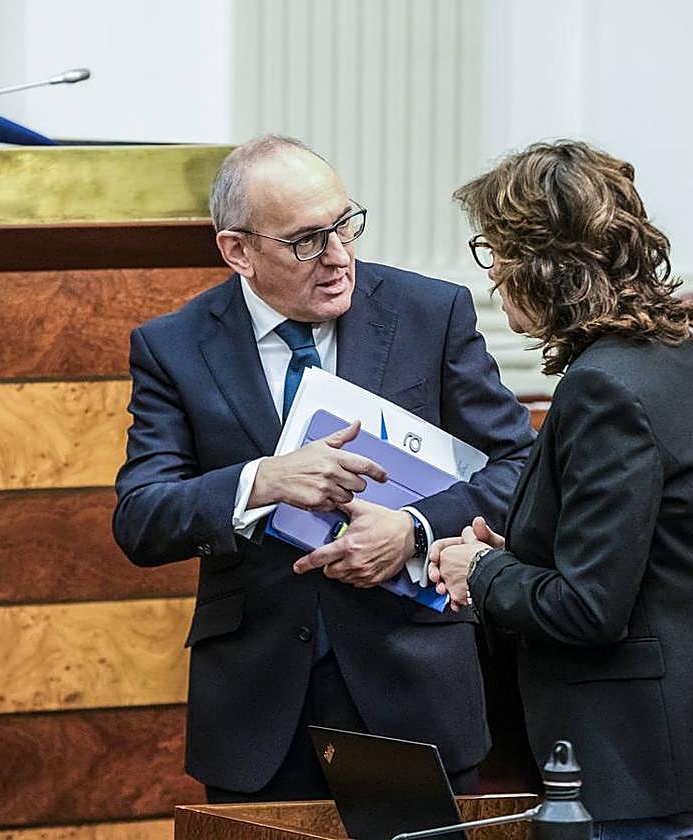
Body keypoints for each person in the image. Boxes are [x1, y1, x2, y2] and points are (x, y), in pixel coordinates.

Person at [112, 135, 534, 802]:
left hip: (415, 686)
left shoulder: (431, 314)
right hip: (258, 712)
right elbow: (141, 517)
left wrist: (414, 530)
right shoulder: (173, 347)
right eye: (308, 240)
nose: (339, 256)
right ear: (238, 251)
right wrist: (262, 482)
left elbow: (521, 464)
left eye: (345, 224)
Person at [431, 140, 693, 839]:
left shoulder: (603, 387)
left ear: (542, 265)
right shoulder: (674, 354)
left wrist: (481, 570)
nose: (493, 277)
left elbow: (590, 609)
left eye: (495, 251)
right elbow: (651, 551)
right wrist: (519, 550)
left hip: (640, 758)